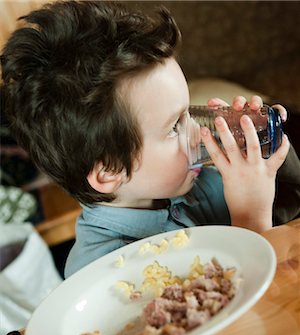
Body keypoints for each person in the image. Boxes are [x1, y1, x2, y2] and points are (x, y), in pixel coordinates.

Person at [1, 0, 298, 278]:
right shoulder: (102, 272)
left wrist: (267, 157)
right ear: (110, 170)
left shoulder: (200, 182)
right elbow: (238, 321)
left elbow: (288, 220)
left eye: (188, 112)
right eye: (173, 127)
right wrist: (250, 221)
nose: (196, 131)